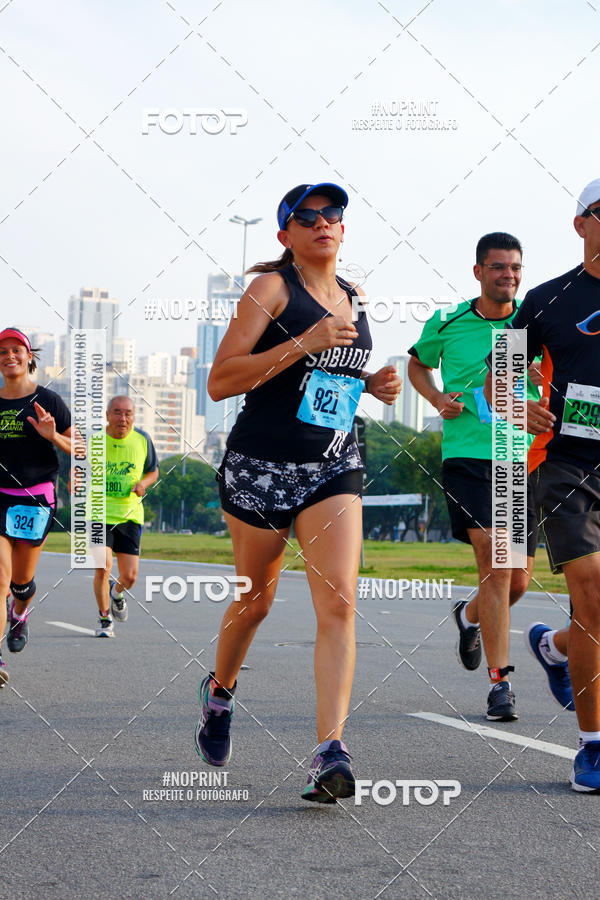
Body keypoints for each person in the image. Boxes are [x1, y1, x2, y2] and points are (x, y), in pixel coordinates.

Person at [194, 182, 401, 802]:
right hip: (261, 465)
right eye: (307, 217)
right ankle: (219, 693)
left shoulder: (355, 298)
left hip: (332, 466)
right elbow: (221, 381)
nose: (323, 223)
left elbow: (326, 379)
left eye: (333, 214)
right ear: (285, 235)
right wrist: (302, 342)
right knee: (254, 603)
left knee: (338, 605)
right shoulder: (270, 291)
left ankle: (328, 752)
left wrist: (371, 384)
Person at [486, 179, 600, 791]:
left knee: (594, 616)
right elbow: (498, 378)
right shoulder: (549, 298)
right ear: (581, 224)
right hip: (567, 467)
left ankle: (555, 648)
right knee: (594, 596)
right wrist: (516, 405)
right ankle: (592, 747)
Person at [408, 233, 541, 722]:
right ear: (479, 272)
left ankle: (468, 617)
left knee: (517, 581)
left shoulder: (534, 320)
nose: (509, 275)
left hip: (518, 459)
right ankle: (500, 684)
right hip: (467, 456)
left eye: (515, 267)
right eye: (499, 267)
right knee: (495, 561)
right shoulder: (448, 322)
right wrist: (436, 399)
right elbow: (418, 365)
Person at [0, 327, 72, 683]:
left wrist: (53, 435)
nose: (9, 356)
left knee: (20, 582)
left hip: (34, 498)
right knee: (0, 578)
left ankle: (20, 613)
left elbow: (81, 449)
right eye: (2, 352)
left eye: (16, 350)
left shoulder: (51, 401)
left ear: (29, 357)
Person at [93, 396, 158, 637]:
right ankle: (104, 619)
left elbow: (153, 471)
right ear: (108, 414)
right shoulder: (94, 440)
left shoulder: (142, 440)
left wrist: (143, 483)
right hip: (99, 512)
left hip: (130, 515)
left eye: (128, 413)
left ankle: (116, 592)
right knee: (103, 567)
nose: (123, 418)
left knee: (130, 575)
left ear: (133, 416)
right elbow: (78, 468)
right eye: (117, 412)